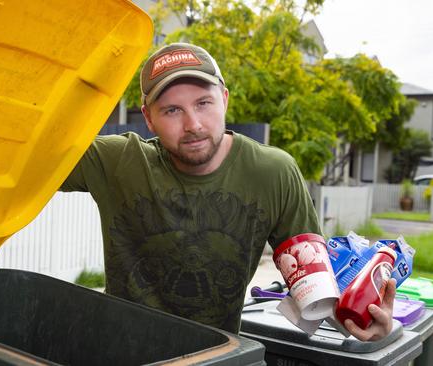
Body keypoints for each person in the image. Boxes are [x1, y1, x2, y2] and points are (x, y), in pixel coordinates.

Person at [60, 42, 395, 340]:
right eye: (172, 110)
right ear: (148, 118)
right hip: (119, 353)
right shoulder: (118, 161)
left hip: (214, 355)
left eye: (203, 103)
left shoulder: (272, 172)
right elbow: (21, 156)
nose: (193, 124)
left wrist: (361, 319)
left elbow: (314, 283)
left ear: (224, 98)